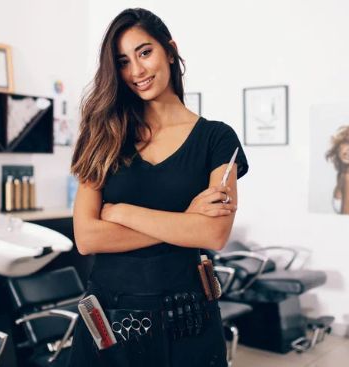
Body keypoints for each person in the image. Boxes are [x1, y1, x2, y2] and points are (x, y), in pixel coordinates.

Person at [68, 8, 248, 367]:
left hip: (189, 316)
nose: (137, 71)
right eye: (123, 61)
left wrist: (121, 213)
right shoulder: (102, 135)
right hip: (110, 317)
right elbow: (87, 237)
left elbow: (213, 233)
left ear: (169, 49)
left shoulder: (217, 139)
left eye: (144, 52)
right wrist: (184, 222)